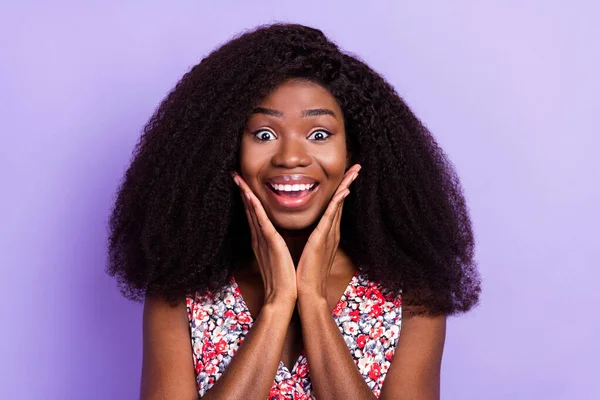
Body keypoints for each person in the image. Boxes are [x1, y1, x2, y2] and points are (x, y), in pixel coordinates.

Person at [107, 23, 481, 399]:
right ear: (225, 149)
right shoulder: (181, 291)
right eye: (264, 134)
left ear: (352, 150)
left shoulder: (411, 294)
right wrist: (276, 303)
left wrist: (314, 302)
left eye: (319, 134)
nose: (290, 158)